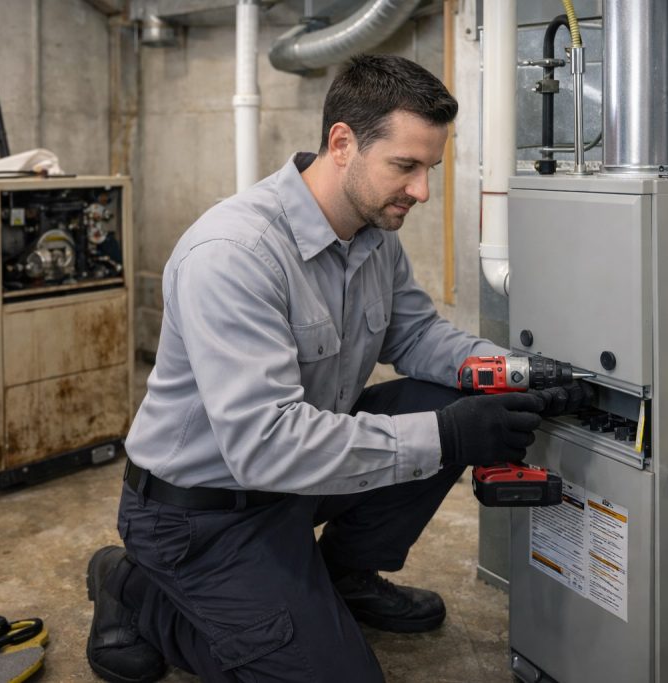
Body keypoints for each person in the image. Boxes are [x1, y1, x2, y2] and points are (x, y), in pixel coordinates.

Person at [85, 54, 589, 683]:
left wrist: (520, 372)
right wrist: (449, 436)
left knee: (442, 396)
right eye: (405, 166)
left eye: (429, 170)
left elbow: (417, 336)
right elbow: (265, 445)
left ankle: (342, 577)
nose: (422, 192)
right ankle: (135, 591)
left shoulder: (374, 235)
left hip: (295, 484)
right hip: (203, 513)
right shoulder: (234, 254)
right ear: (343, 143)